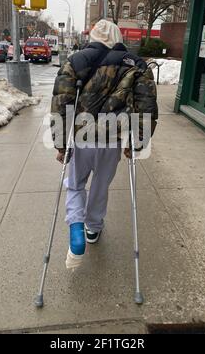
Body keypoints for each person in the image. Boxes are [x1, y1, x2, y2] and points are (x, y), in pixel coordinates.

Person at [51, 19, 158, 268]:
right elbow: (146, 107)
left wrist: (60, 144)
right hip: (111, 139)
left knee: (76, 184)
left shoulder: (75, 61)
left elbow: (61, 102)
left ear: (93, 36)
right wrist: (138, 142)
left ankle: (76, 227)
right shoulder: (136, 65)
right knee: (100, 185)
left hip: (81, 138)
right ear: (119, 37)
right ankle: (93, 228)